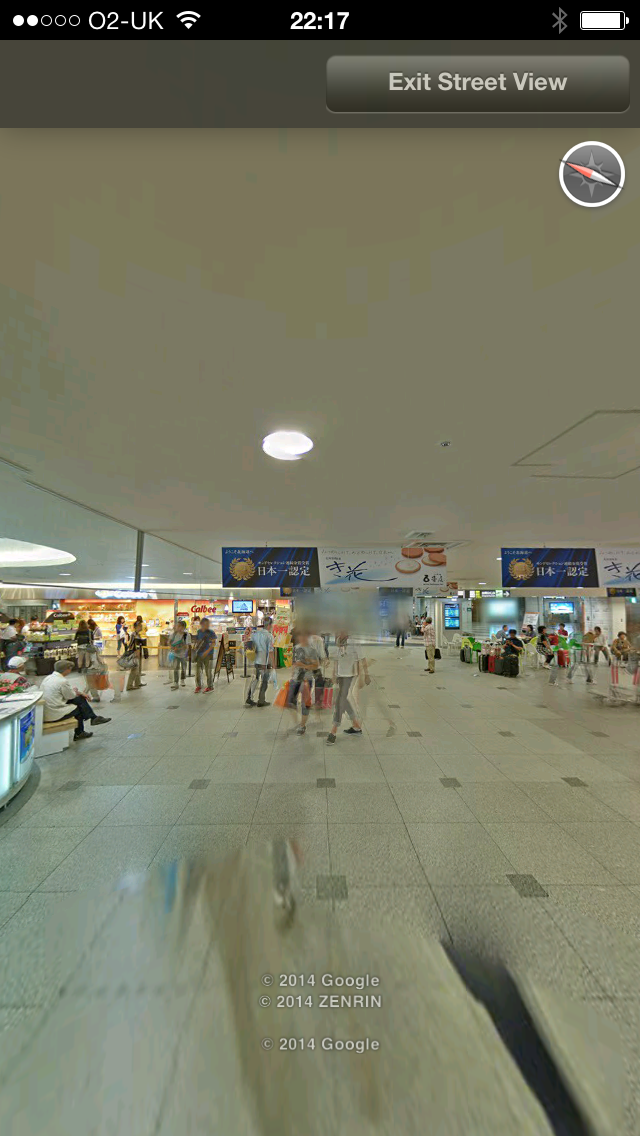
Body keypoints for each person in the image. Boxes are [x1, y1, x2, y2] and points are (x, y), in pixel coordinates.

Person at [40, 659, 111, 740]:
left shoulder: (48, 678)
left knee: (79, 699)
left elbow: (67, 694)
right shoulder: (62, 681)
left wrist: (78, 693)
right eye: (70, 669)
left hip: (48, 708)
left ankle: (93, 718)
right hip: (54, 713)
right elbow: (70, 696)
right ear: (66, 670)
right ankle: (80, 732)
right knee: (79, 709)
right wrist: (77, 692)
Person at [327, 631, 367, 744]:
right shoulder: (338, 640)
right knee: (343, 699)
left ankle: (333, 731)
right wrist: (334, 674)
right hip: (340, 674)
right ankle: (356, 725)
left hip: (350, 674)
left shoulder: (354, 641)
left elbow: (362, 658)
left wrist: (365, 675)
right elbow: (336, 658)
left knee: (340, 700)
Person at [287, 630, 322, 734]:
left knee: (304, 703)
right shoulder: (296, 648)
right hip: (296, 678)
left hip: (307, 679)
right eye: (300, 636)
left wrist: (304, 665)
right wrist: (292, 674)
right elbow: (294, 663)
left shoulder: (312, 650)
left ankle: (302, 725)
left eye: (304, 636)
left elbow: (316, 665)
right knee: (290, 701)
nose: (302, 638)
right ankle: (299, 721)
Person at [245, 618, 274, 708]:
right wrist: (273, 663)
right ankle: (261, 700)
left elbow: (250, 645)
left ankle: (249, 698)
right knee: (264, 681)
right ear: (269, 625)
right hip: (265, 662)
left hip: (256, 660)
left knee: (256, 679)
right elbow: (270, 651)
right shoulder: (269, 636)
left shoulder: (255, 634)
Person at [193, 617, 217, 692]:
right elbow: (197, 641)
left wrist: (207, 651)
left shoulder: (211, 632)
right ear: (201, 624)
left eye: (208, 624)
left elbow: (213, 643)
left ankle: (210, 686)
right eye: (205, 624)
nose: (207, 626)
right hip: (199, 654)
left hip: (208, 654)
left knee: (208, 671)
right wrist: (195, 646)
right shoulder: (199, 632)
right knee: (198, 671)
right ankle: (198, 686)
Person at [169, 620, 191, 689]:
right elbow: (169, 642)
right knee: (175, 668)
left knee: (183, 668)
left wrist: (178, 648)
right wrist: (172, 647)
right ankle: (176, 682)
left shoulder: (187, 635)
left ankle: (182, 679)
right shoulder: (174, 634)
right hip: (175, 654)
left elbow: (187, 646)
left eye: (179, 626)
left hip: (183, 655)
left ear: (183, 627)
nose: (177, 627)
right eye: (177, 626)